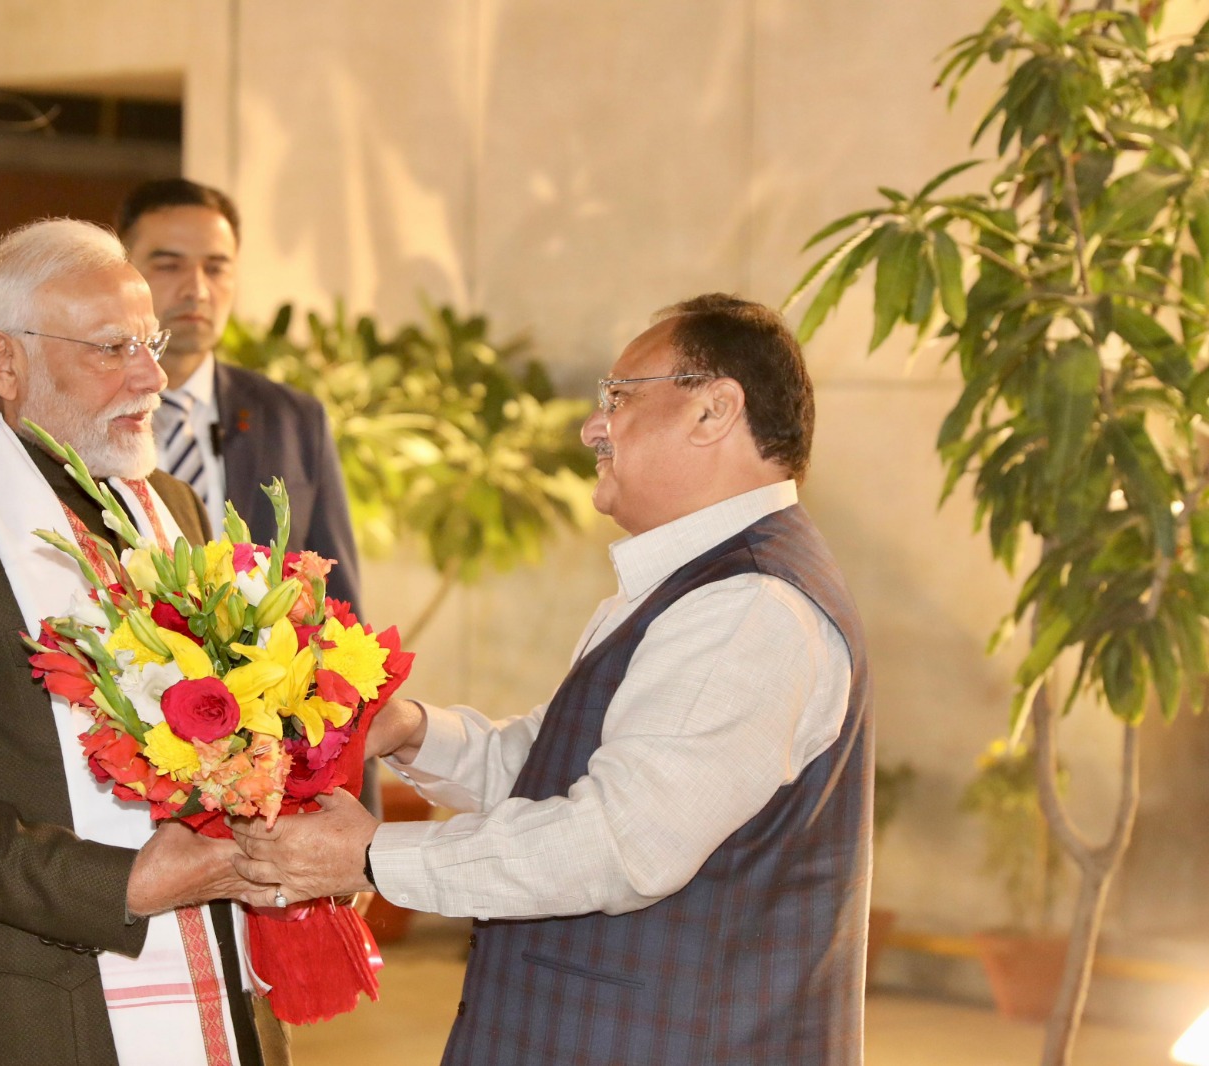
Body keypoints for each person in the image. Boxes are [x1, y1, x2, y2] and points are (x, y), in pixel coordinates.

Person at [232, 294, 874, 1065]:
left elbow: (616, 843)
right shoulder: (704, 586)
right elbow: (550, 772)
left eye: (618, 396)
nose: (592, 426)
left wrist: (372, 857)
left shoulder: (748, 607)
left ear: (714, 411)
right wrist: (410, 732)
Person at [0, 218, 284, 1066]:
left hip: (207, 974)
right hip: (23, 1008)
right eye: (112, 349)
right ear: (5, 363)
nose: (152, 376)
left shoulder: (168, 507)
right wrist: (122, 885)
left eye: (148, 342)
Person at [116, 179, 363, 612]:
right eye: (169, 265)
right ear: (123, 271)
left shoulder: (294, 421)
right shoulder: (83, 413)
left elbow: (338, 606)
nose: (197, 289)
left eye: (216, 267)